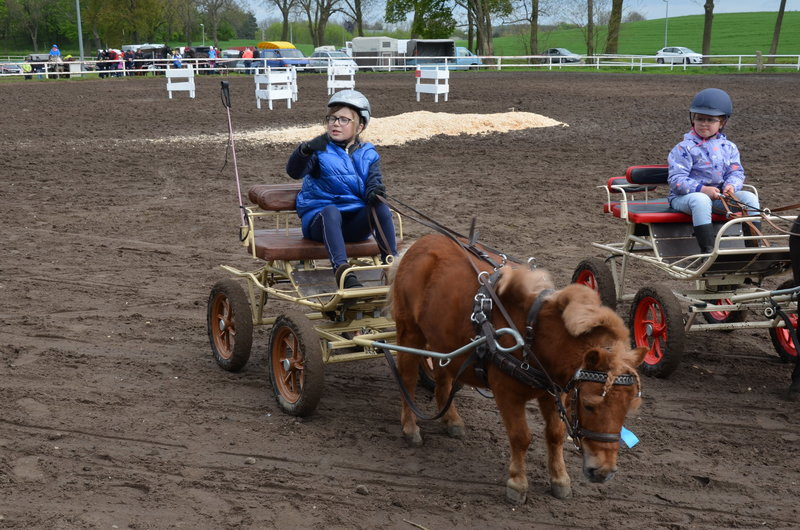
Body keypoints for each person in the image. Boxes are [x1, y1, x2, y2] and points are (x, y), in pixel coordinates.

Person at [286, 90, 397, 289]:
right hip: (320, 222)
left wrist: (374, 191)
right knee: (331, 211)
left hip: (354, 225)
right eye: (332, 118)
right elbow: (295, 172)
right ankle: (343, 272)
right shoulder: (318, 150)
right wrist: (304, 151)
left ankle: (393, 266)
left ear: (360, 126)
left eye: (344, 119)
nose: (336, 123)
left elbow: (374, 180)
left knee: (380, 206)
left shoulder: (369, 153)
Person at [668, 88, 760, 254]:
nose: (704, 123)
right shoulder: (683, 148)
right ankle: (708, 251)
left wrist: (731, 185)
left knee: (750, 198)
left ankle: (753, 247)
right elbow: (677, 180)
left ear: (722, 122)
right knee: (701, 200)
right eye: (700, 119)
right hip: (685, 198)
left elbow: (736, 172)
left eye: (710, 120)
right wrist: (703, 190)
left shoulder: (730, 148)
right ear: (693, 120)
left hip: (719, 198)